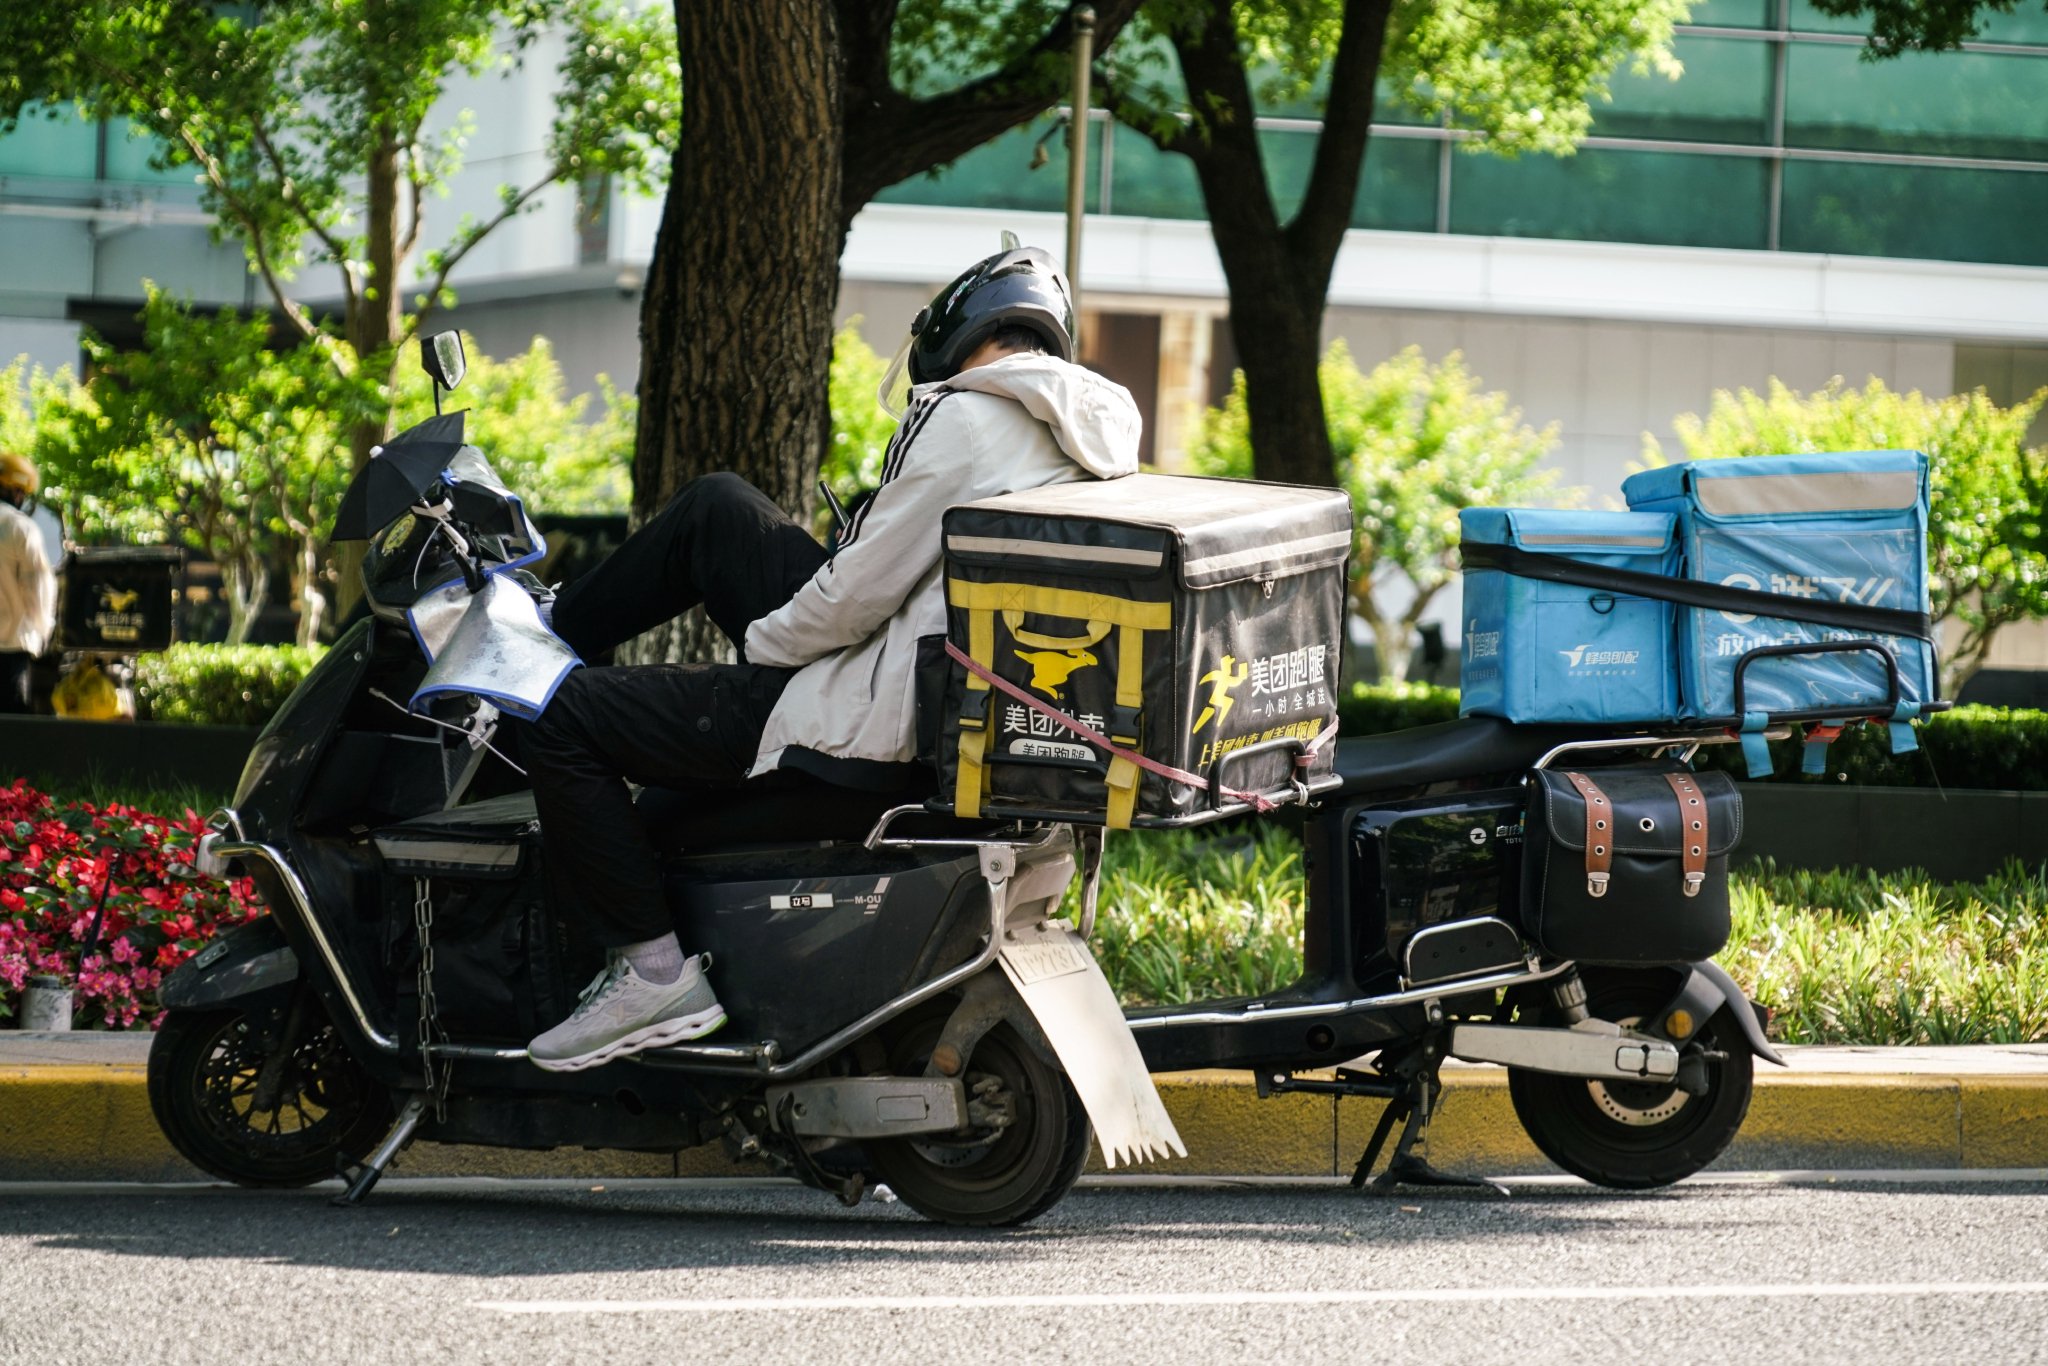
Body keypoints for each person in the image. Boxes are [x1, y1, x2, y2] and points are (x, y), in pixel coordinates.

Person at [520, 246, 1142, 1072]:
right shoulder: (1092, 430)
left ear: (954, 329)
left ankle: (653, 973)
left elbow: (855, 597)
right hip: (946, 697)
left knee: (557, 716)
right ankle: (555, 626)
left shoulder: (964, 416)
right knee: (720, 509)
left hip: (872, 718)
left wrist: (763, 653)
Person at [0, 452, 57, 715]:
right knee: (12, 739)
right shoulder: (20, 528)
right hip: (11, 649)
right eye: (20, 491)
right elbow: (39, 594)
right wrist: (43, 634)